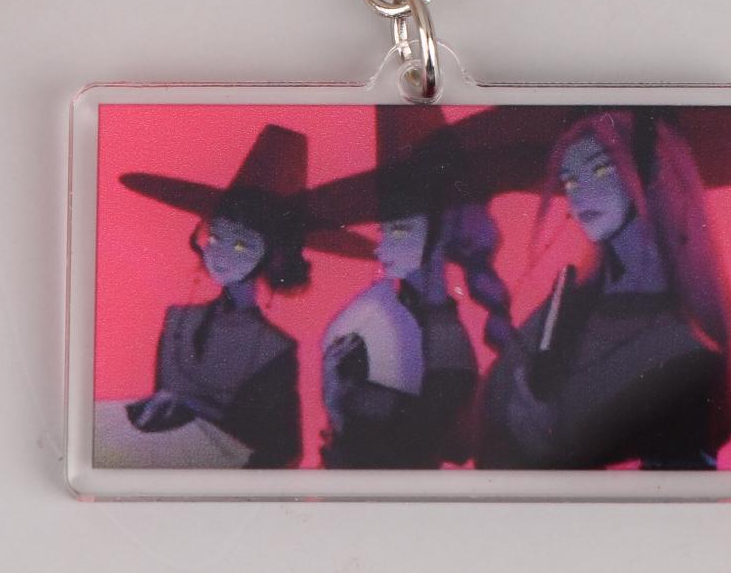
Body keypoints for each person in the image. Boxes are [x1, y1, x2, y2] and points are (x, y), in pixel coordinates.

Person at [479, 111, 731, 469]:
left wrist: (554, 445)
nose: (579, 194)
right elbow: (494, 400)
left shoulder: (688, 347)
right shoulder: (567, 302)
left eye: (601, 170)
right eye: (569, 181)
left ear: (651, 171)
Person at [96, 125, 312, 470]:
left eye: (241, 245)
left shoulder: (275, 347)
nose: (221, 254)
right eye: (215, 238)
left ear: (272, 255)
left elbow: (284, 450)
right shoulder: (178, 320)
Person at [317, 108, 514, 469]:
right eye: (383, 231)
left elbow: (450, 443)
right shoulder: (380, 314)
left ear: (437, 234)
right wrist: (337, 403)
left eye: (399, 231)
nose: (381, 248)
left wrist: (353, 404)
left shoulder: (444, 335)